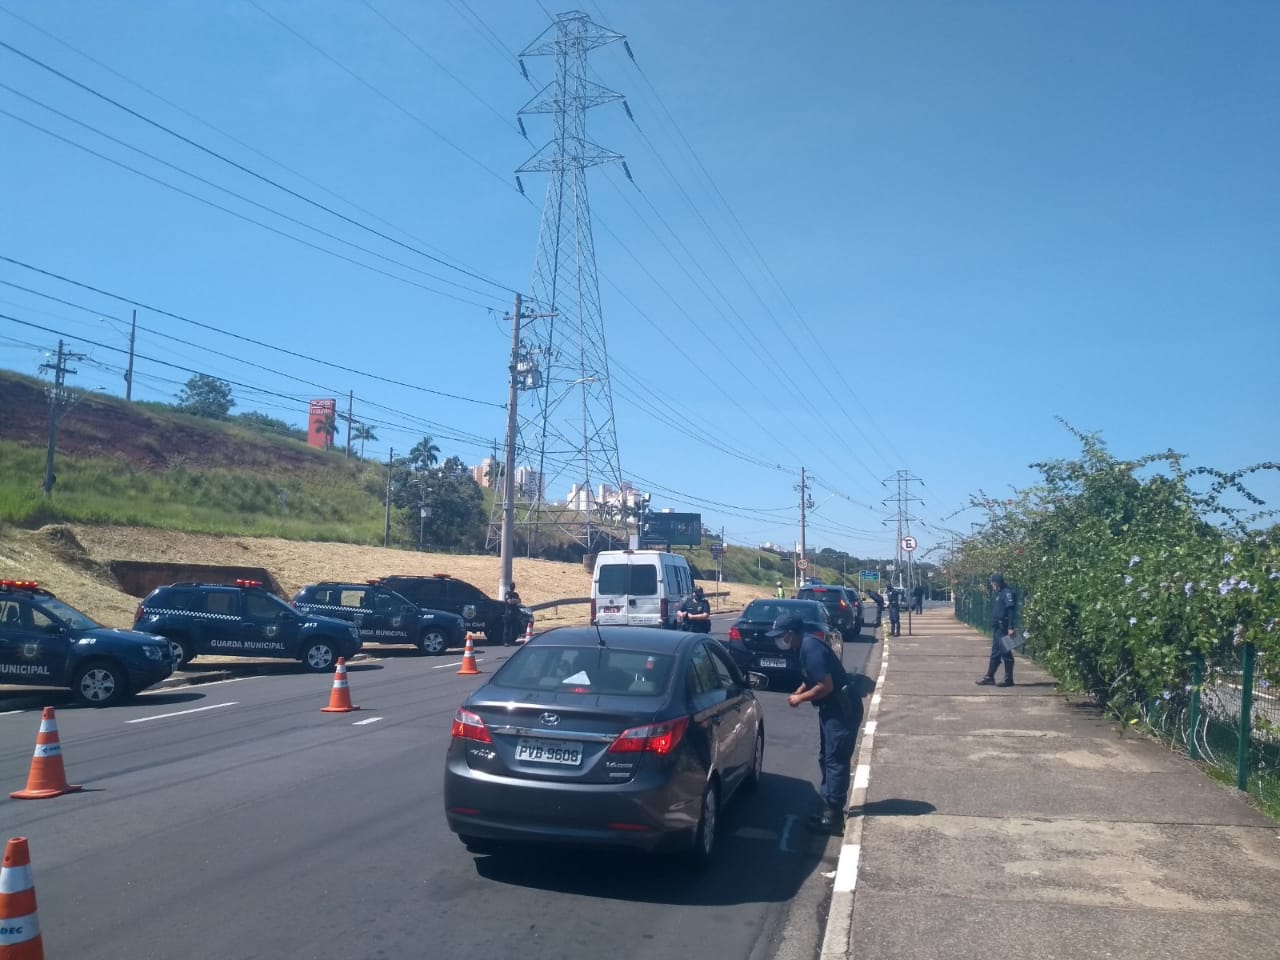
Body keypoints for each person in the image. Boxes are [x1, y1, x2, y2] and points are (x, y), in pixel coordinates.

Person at [768, 612, 862, 835]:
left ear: (791, 634)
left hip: (842, 709)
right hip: (831, 709)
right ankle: (827, 804)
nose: (778, 641)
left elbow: (825, 685)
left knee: (835, 759)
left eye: (781, 636)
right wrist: (800, 690)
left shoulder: (811, 648)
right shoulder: (803, 648)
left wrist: (799, 699)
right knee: (826, 756)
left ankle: (834, 815)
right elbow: (811, 677)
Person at [976, 573, 1016, 686]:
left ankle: (1009, 679)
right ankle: (989, 677)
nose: (992, 586)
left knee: (1006, 652)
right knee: (995, 653)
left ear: (996, 583)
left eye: (993, 583)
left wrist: (1010, 627)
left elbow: (1010, 610)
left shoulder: (1007, 593)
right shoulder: (1000, 593)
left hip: (1004, 628)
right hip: (997, 628)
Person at [502, 582, 524, 646]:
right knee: (507, 629)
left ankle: (512, 641)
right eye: (512, 586)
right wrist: (515, 600)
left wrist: (513, 600)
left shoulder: (515, 594)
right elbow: (509, 601)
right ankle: (506, 642)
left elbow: (519, 601)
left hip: (515, 613)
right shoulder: (507, 593)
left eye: (513, 586)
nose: (513, 587)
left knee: (514, 629)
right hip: (508, 613)